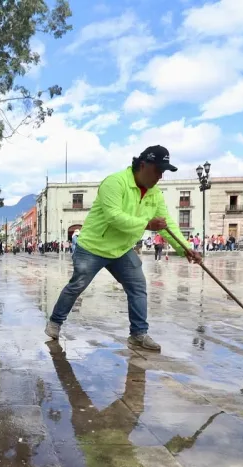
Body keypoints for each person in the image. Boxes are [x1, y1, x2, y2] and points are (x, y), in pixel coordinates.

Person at [45, 145, 201, 352]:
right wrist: (147, 224)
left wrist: (186, 249)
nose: (160, 177)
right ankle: (55, 322)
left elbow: (167, 224)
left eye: (163, 172)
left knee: (138, 287)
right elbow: (114, 216)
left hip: (121, 249)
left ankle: (138, 335)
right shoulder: (115, 182)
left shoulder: (155, 194)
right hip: (93, 246)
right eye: (157, 170)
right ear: (143, 165)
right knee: (78, 285)